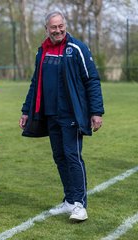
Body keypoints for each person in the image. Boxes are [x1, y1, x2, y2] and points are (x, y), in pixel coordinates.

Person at [19, 10, 104, 222]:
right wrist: (26, 110)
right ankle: (69, 200)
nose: (57, 30)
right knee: (59, 157)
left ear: (64, 25)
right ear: (46, 29)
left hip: (72, 113)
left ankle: (80, 205)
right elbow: (35, 83)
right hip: (50, 115)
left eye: (60, 26)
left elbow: (92, 80)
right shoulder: (42, 51)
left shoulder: (77, 48)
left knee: (72, 156)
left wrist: (96, 112)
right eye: (53, 27)